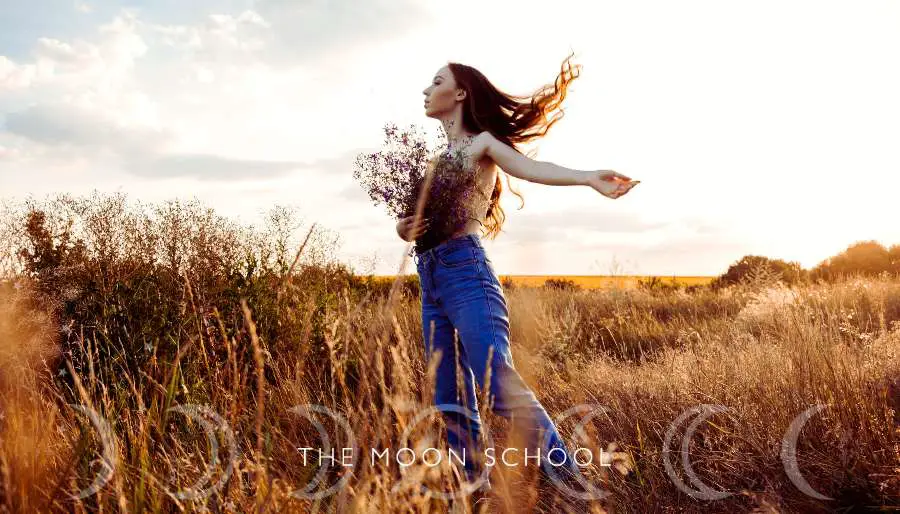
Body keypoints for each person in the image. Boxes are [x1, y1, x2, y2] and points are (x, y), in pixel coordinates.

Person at [394, 53, 639, 511]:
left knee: (497, 383)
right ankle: (474, 498)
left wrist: (588, 178)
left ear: (460, 93)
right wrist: (405, 229)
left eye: (436, 82)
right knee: (450, 399)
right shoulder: (434, 161)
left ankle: (571, 483)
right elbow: (410, 224)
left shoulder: (481, 143)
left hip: (466, 274)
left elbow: (529, 169)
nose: (426, 91)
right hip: (432, 282)